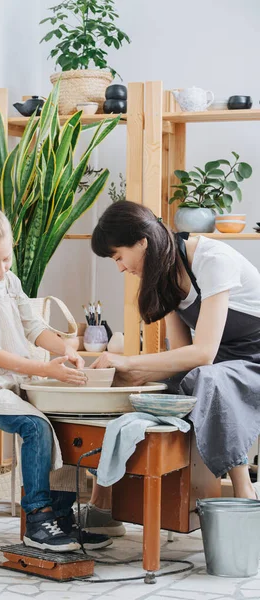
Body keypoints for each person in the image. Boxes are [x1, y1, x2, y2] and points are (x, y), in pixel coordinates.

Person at [80, 200, 260, 532]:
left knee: (209, 378)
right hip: (216, 364)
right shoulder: (166, 275)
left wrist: (131, 360)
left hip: (252, 361)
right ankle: (102, 500)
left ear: (142, 242)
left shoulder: (212, 260)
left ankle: (242, 490)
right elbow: (180, 357)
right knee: (134, 386)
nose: (120, 268)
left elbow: (203, 354)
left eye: (119, 256)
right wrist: (125, 376)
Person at [0, 193, 112, 552]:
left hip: (10, 381)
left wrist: (66, 348)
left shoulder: (11, 282)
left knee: (64, 419)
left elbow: (35, 328)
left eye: (7, 258)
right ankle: (37, 518)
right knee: (35, 426)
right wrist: (44, 367)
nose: (2, 269)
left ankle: (62, 516)